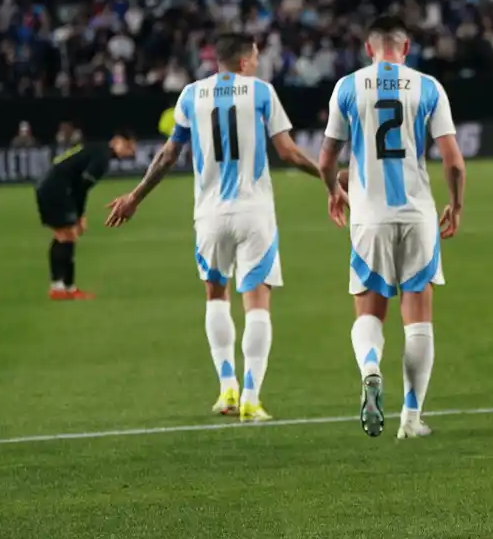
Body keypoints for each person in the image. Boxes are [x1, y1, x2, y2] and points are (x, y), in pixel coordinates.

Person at [105, 34, 320, 422]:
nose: (256, 63)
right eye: (254, 57)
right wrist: (330, 177)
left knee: (215, 296)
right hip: (254, 211)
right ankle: (252, 397)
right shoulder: (261, 93)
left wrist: (135, 196)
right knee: (257, 302)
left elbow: (169, 154)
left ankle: (227, 388)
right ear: (242, 62)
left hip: (209, 215)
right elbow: (287, 152)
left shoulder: (190, 95)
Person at [319, 15, 466, 439]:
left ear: (369, 49)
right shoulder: (427, 86)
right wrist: (455, 206)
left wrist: (333, 191)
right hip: (417, 215)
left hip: (369, 216)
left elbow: (327, 159)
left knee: (369, 311)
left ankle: (370, 369)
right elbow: (454, 161)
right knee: (417, 319)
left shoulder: (348, 86)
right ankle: (411, 418)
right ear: (405, 49)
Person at [35, 128, 137, 300]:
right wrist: (80, 215)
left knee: (66, 235)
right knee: (66, 234)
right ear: (117, 141)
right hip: (55, 189)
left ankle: (66, 287)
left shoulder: (96, 148)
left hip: (51, 186)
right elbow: (82, 187)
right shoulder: (102, 157)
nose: (128, 153)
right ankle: (60, 288)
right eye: (128, 148)